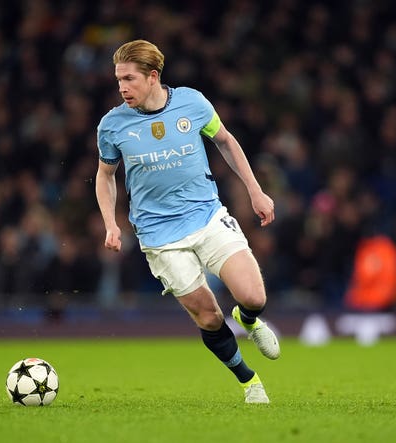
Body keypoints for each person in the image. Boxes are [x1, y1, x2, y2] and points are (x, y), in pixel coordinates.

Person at [95, 40, 280, 404]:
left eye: (129, 79)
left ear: (152, 77)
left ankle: (247, 318)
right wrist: (111, 224)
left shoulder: (192, 103)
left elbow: (226, 141)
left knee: (253, 295)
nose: (121, 87)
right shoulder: (112, 125)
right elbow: (105, 176)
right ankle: (249, 381)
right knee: (209, 317)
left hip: (207, 216)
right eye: (118, 79)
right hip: (159, 235)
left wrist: (256, 191)